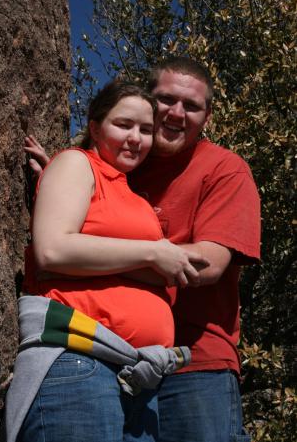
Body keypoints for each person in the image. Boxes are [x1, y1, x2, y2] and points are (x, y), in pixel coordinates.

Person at [23, 57, 261, 442]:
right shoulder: (130, 165)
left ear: (208, 117)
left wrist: (82, 260)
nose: (176, 113)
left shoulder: (224, 170)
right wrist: (64, 187)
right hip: (116, 359)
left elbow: (205, 267)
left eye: (192, 106)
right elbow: (90, 216)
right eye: (165, 99)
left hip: (195, 366)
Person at [4, 79, 210, 442]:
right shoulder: (76, 163)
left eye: (146, 130)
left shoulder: (131, 194)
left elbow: (124, 258)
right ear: (96, 127)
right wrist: (153, 251)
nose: (136, 138)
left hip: (135, 376)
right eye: (124, 124)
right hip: (79, 359)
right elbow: (53, 251)